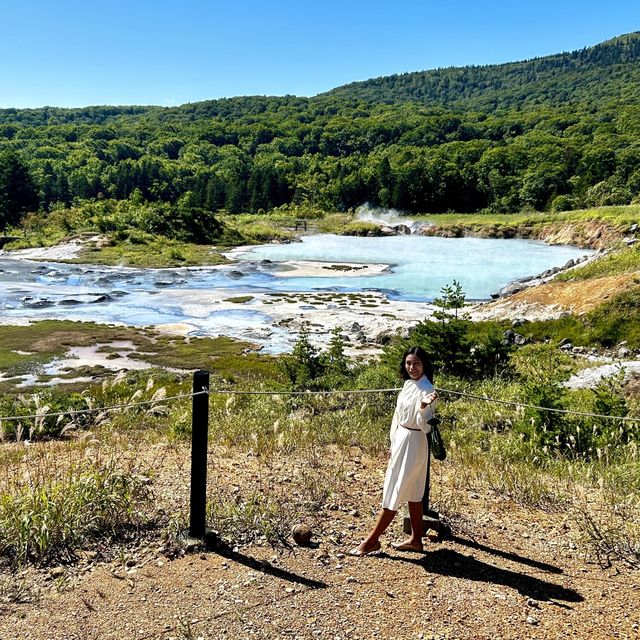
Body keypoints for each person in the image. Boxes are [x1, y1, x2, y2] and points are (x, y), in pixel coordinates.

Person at [349, 346, 437, 556]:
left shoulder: (428, 390)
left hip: (414, 442)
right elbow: (397, 417)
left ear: (424, 365)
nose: (412, 367)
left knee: (397, 490)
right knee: (413, 492)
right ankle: (416, 540)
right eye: (408, 363)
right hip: (401, 440)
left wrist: (424, 408)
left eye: (416, 363)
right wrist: (393, 443)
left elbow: (425, 426)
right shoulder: (408, 385)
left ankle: (372, 540)